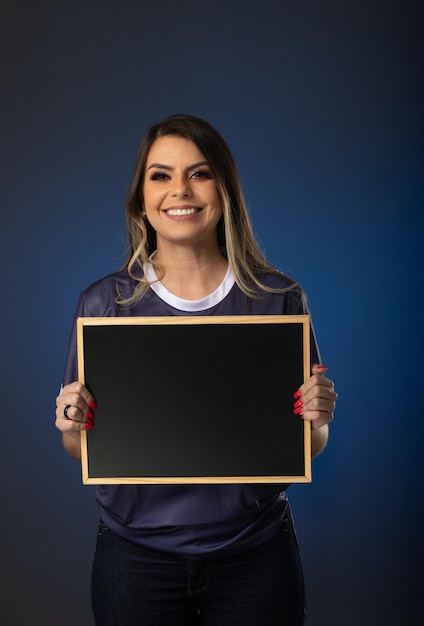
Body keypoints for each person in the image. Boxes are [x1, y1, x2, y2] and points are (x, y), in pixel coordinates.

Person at [55, 113, 337, 626]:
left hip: (255, 552)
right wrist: (72, 426)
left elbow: (307, 446)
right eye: (161, 175)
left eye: (199, 173)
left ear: (224, 190)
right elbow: (81, 450)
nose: (179, 190)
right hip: (134, 557)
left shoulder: (277, 299)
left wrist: (317, 422)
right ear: (141, 199)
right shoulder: (104, 303)